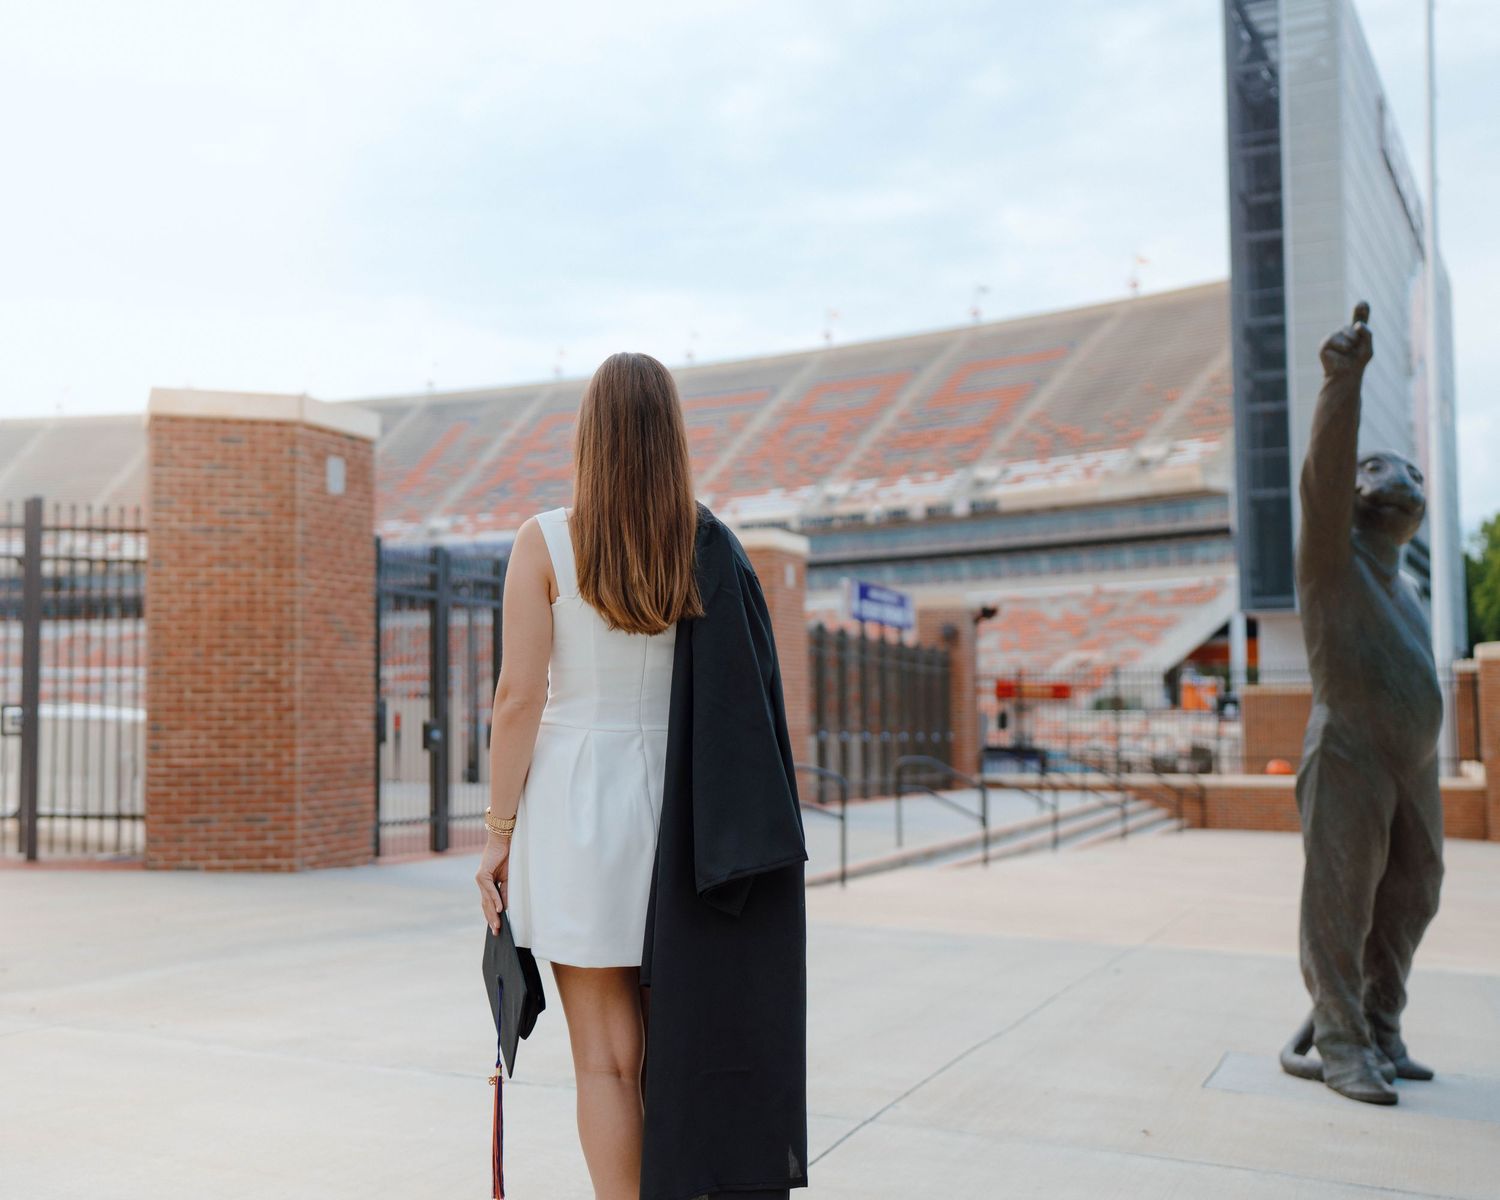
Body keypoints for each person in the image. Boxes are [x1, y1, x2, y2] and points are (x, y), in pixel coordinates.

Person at [475, 351, 807, 1200]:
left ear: (590, 437)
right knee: (675, 1052)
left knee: (607, 1063)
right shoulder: (703, 546)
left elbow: (518, 699)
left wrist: (497, 835)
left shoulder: (544, 539)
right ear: (671, 438)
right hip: (681, 808)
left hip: (578, 804)